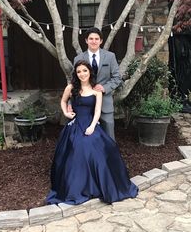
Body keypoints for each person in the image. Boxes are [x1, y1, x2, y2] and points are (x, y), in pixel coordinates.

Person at [46, 60, 138, 205]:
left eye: (85, 71)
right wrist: (66, 112)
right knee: (78, 148)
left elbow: (97, 111)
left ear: (90, 72)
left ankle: (99, 186)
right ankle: (79, 187)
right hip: (75, 126)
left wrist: (93, 126)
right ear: (76, 74)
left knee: (104, 149)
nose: (82, 74)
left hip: (91, 124)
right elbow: (63, 101)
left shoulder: (97, 90)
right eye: (79, 71)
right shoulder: (71, 88)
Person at [73, 27, 122, 140]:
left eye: (96, 39)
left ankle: (110, 157)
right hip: (84, 105)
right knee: (84, 136)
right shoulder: (78, 58)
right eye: (91, 39)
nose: (94, 41)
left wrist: (104, 88)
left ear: (101, 41)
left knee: (109, 136)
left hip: (105, 103)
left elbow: (117, 78)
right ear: (86, 40)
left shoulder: (110, 56)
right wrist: (71, 104)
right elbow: (74, 81)